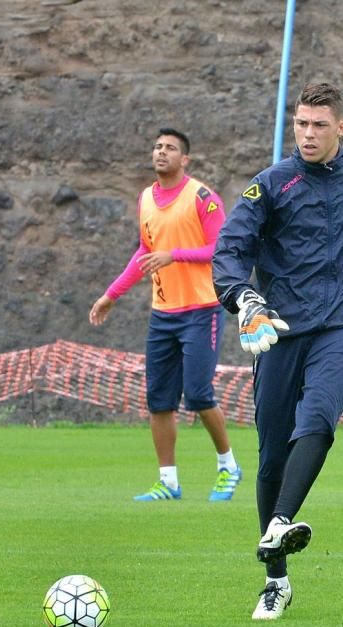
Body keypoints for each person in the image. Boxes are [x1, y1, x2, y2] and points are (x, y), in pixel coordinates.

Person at [212, 83, 343, 620]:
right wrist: (245, 298)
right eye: (301, 123)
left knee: (320, 413)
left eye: (319, 125)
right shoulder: (270, 185)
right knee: (272, 454)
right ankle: (276, 580)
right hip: (278, 328)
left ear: (340, 128)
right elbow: (229, 251)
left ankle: (278, 524)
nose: (307, 133)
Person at [89, 127, 241, 502]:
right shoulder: (145, 199)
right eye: (157, 147)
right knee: (159, 400)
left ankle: (228, 467)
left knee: (200, 394)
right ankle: (168, 481)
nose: (161, 152)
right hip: (163, 314)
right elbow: (145, 250)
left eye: (170, 148)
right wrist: (112, 295)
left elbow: (218, 248)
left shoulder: (201, 197)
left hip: (201, 310)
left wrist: (174, 255)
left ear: (184, 159)